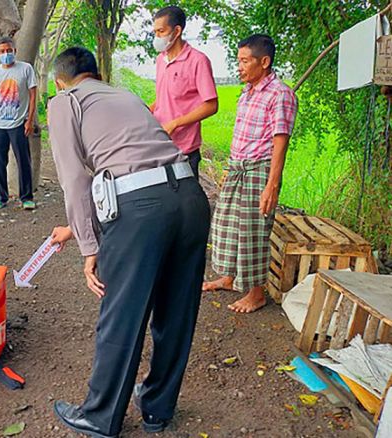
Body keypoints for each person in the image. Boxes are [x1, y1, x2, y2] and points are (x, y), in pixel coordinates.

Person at [48, 47, 210, 438]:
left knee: (122, 313)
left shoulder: (65, 102)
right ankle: (157, 408)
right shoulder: (125, 96)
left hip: (142, 209)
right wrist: (83, 230)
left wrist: (89, 247)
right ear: (98, 73)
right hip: (190, 195)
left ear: (59, 81)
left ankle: (100, 416)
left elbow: (74, 180)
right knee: (176, 312)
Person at [202, 34, 298, 313]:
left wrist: (272, 185)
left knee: (253, 231)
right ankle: (231, 278)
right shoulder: (248, 91)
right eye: (238, 60)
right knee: (227, 224)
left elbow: (281, 140)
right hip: (238, 167)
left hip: (259, 170)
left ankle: (257, 293)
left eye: (245, 61)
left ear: (264, 62)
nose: (239, 67)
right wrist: (229, 167)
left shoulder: (280, 94)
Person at [150, 6, 218, 179]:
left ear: (177, 30)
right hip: (160, 143)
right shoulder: (160, 60)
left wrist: (175, 123)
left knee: (187, 202)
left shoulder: (198, 61)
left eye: (161, 31)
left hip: (185, 147)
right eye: (155, 32)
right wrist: (147, 110)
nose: (157, 37)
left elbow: (211, 105)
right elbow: (164, 98)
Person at [0, 36, 38, 211]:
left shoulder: (26, 69)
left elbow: (32, 95)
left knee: (23, 161)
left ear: (15, 51)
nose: (6, 54)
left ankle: (27, 197)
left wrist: (29, 120)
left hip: (18, 124)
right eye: (2, 51)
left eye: (9, 50)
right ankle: (1, 197)